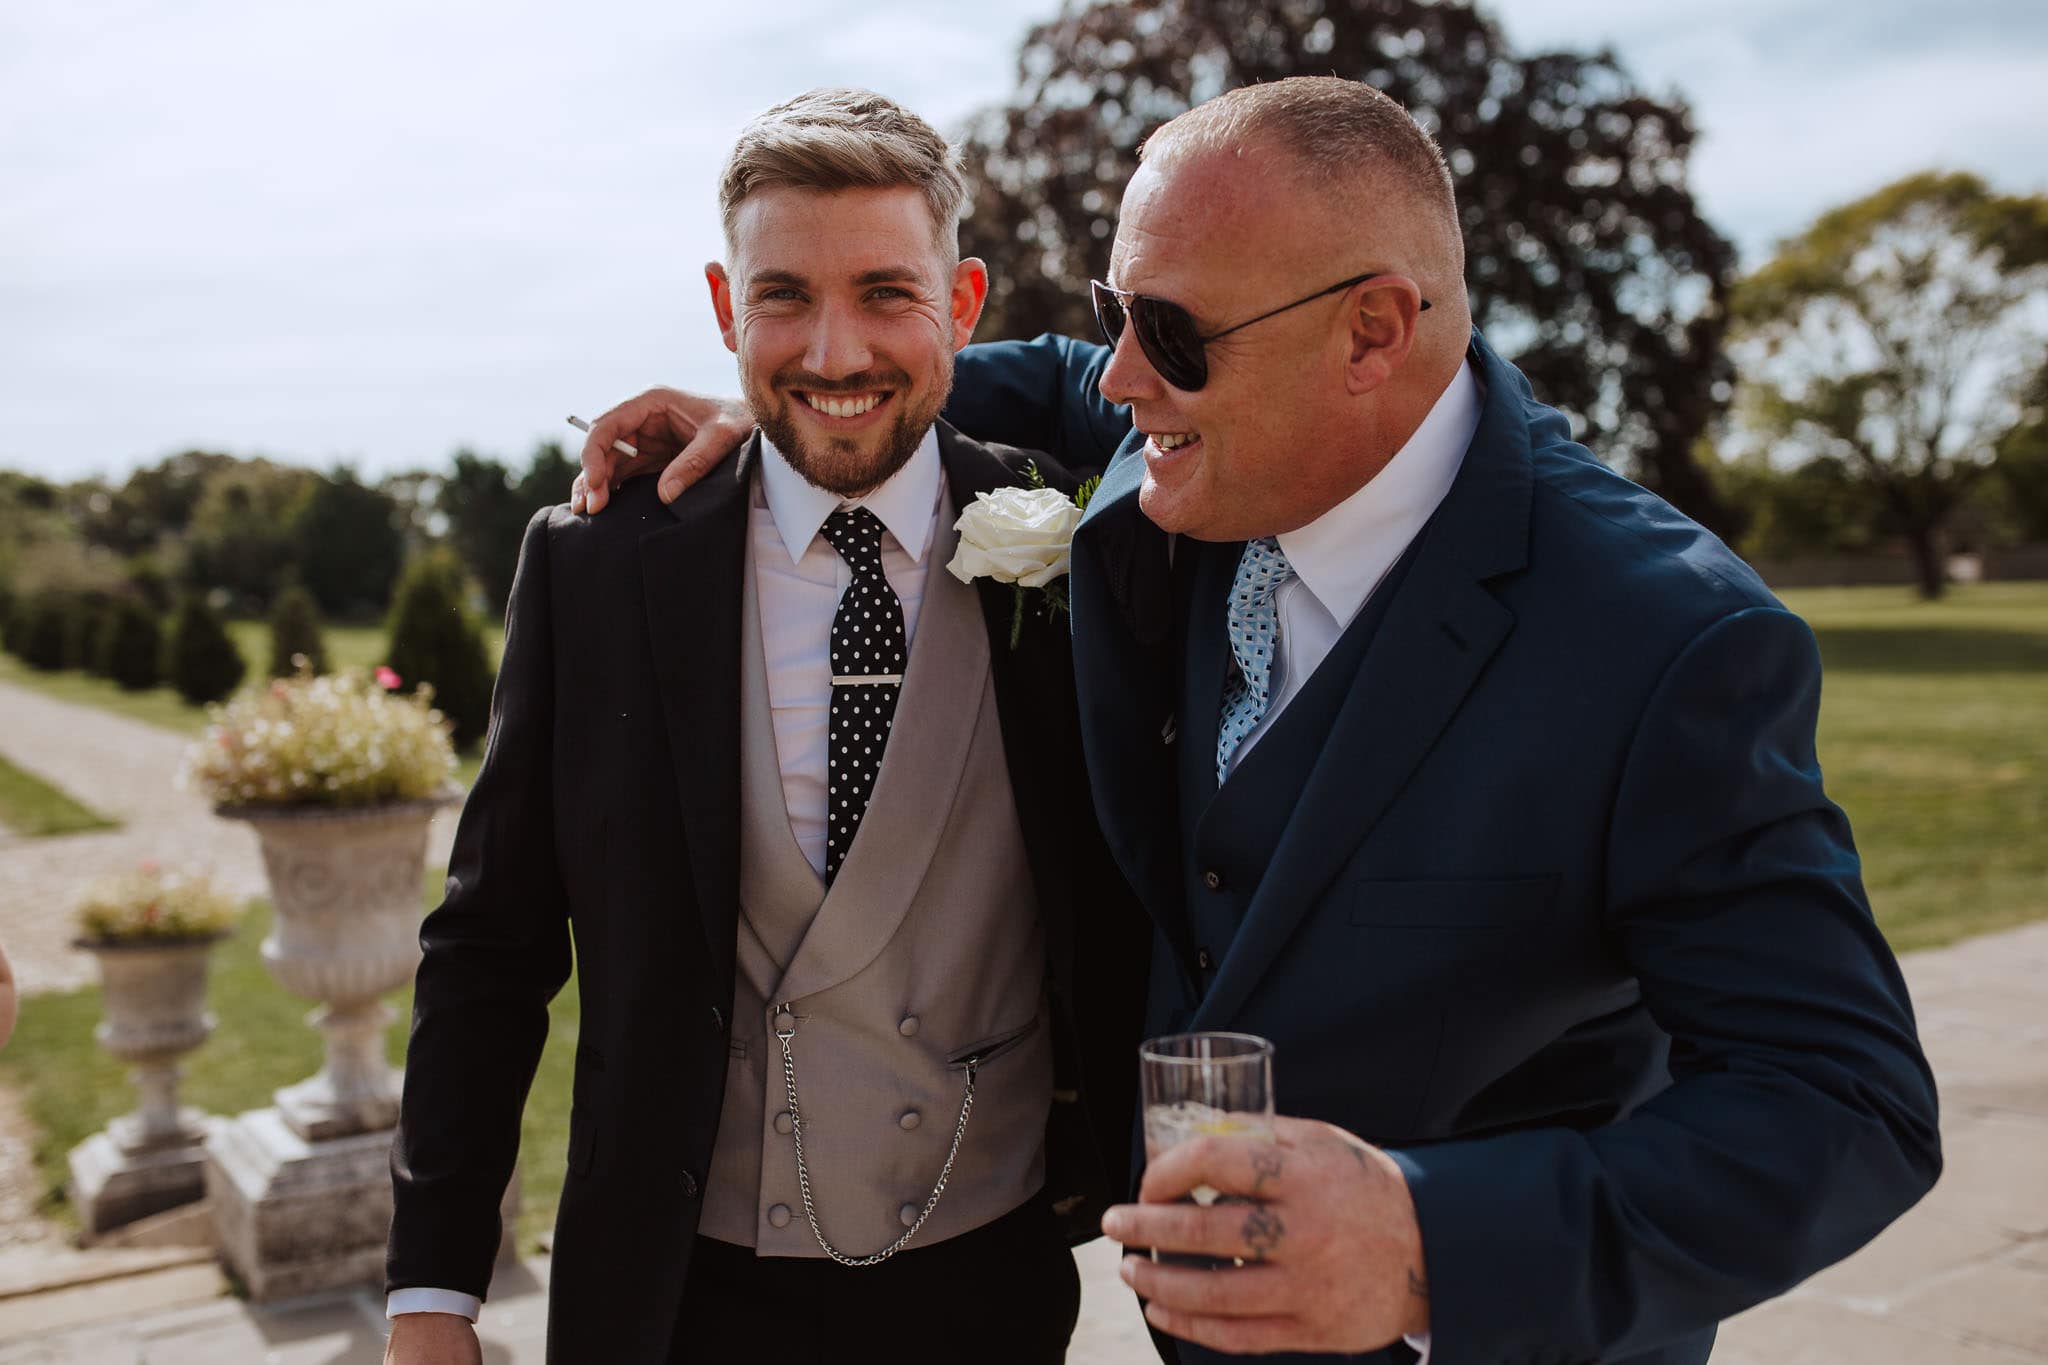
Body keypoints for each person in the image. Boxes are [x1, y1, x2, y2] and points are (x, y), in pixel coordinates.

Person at [573, 77, 1942, 1365]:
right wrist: (822, 397)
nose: (1120, 379)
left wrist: (1424, 1241)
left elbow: (1846, 1101)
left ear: (1373, 332)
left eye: (1168, 334)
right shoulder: (1197, 442)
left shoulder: (1669, 644)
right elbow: (1051, 372)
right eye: (1123, 310)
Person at [384, 89, 1149, 1365]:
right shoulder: (599, 563)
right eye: (782, 296)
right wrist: (431, 1295)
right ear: (722, 303)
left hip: (991, 1289)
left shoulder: (1080, 544)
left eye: (886, 295)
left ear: (962, 305)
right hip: (671, 1300)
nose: (835, 353)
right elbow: (489, 945)